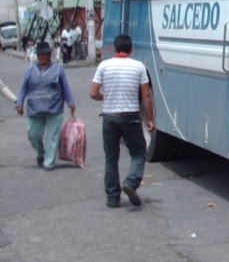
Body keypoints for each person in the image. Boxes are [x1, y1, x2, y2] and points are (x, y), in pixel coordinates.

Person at [89, 34, 154, 208]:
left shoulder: (103, 66)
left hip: (109, 117)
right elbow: (146, 96)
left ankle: (112, 197)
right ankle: (131, 182)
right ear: (131, 49)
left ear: (114, 49)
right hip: (131, 116)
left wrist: (107, 97)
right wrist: (150, 120)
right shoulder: (138, 67)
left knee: (111, 158)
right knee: (139, 152)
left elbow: (93, 92)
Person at [15, 41, 76, 170]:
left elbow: (65, 87)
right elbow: (23, 88)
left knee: (52, 137)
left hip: (54, 108)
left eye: (45, 55)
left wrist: (71, 103)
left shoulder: (58, 69)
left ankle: (49, 162)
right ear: (36, 55)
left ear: (49, 55)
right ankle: (41, 152)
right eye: (40, 55)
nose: (42, 57)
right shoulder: (30, 70)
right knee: (33, 135)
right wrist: (19, 103)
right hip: (34, 109)